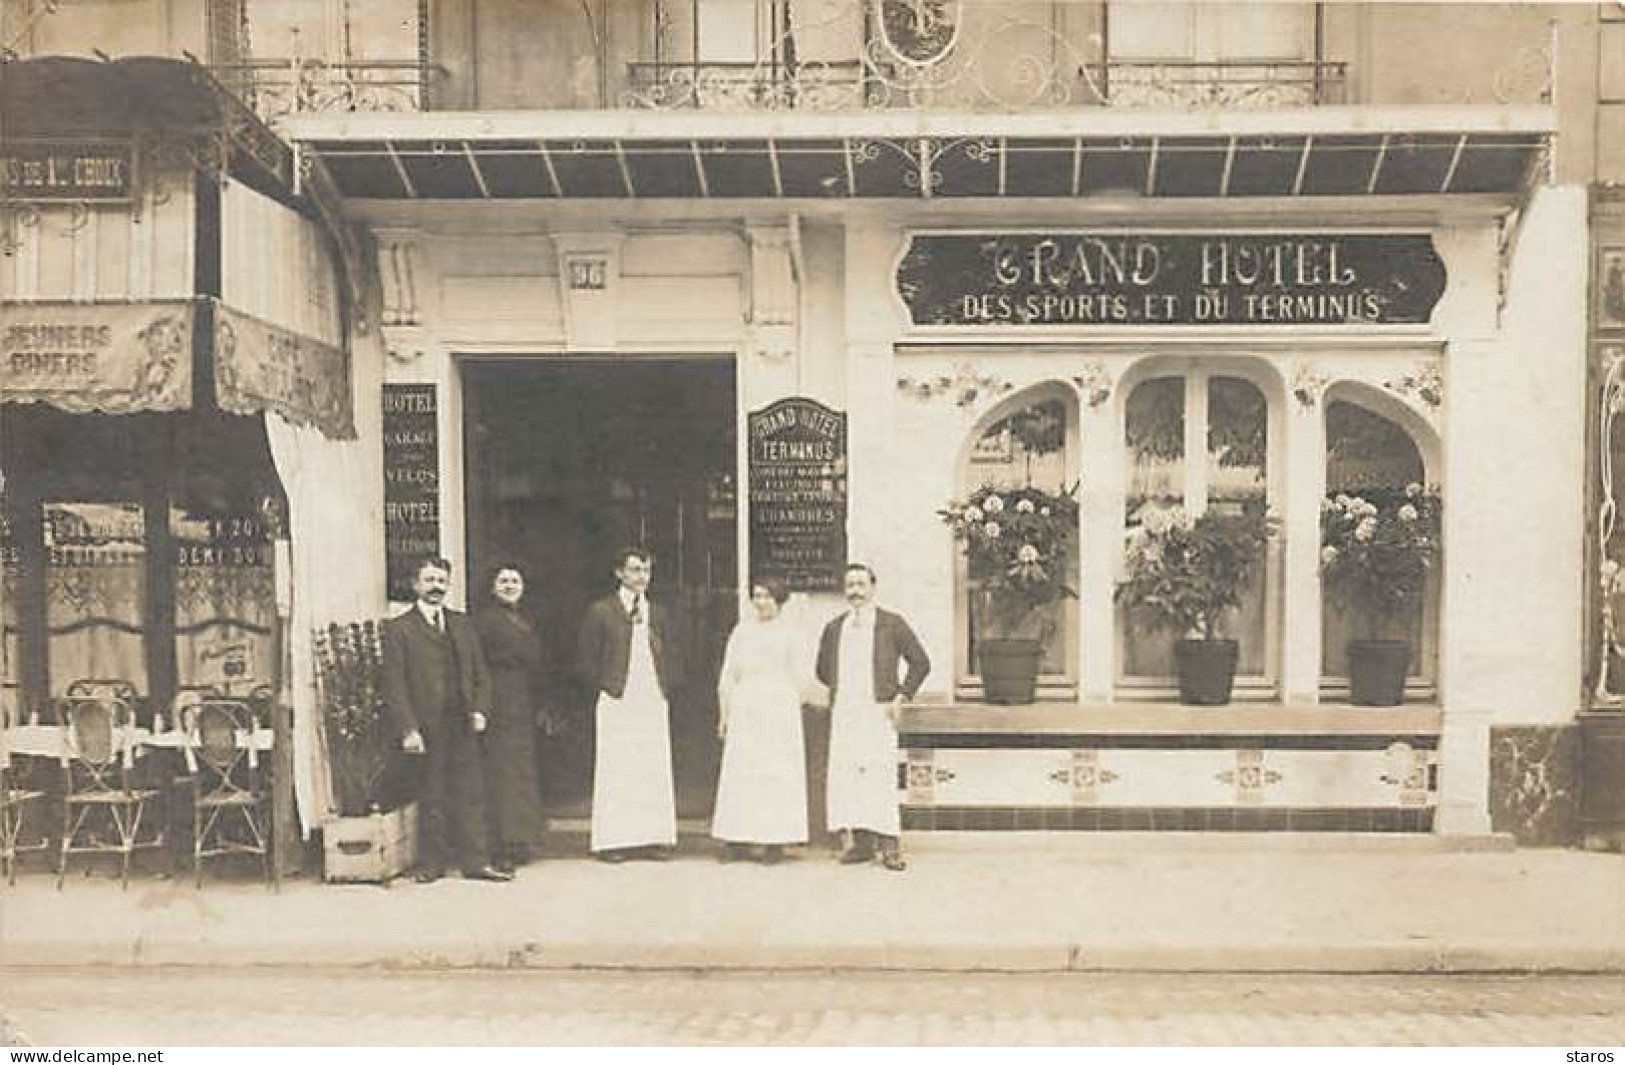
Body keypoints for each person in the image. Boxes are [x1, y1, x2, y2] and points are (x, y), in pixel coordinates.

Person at [381, 556, 512, 883]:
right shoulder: (400, 629)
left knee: (471, 792)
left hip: (462, 721)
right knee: (432, 793)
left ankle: (476, 862)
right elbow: (394, 684)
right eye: (429, 580)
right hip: (427, 726)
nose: (436, 587)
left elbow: (481, 673)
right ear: (415, 585)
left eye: (441, 580)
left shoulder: (462, 624)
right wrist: (408, 729)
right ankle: (432, 864)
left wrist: (481, 710)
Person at [815, 562, 930, 872]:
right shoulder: (834, 628)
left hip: (878, 712)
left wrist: (901, 696)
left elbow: (920, 663)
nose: (855, 591)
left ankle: (890, 845)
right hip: (845, 712)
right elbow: (823, 669)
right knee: (849, 775)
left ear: (873, 588)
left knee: (878, 775)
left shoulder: (891, 624)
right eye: (850, 585)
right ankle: (862, 844)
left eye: (860, 585)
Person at [576, 547, 678, 862]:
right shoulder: (601, 611)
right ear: (619, 573)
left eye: (646, 570)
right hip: (617, 698)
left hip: (651, 696)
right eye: (634, 570)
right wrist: (607, 685)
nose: (641, 577)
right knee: (617, 767)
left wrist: (664, 686)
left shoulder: (657, 612)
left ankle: (652, 837)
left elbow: (673, 653)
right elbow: (586, 659)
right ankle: (614, 841)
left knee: (651, 766)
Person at [711, 577, 809, 863]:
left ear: (779, 600)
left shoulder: (792, 633)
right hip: (745, 709)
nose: (761, 602)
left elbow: (800, 676)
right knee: (741, 774)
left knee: (775, 776)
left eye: (767, 596)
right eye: (756, 596)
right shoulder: (742, 631)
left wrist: (786, 703)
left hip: (778, 711)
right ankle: (737, 839)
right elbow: (728, 674)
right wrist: (724, 713)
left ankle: (774, 841)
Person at [473, 564, 554, 874]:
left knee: (520, 773)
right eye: (503, 581)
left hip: (522, 699)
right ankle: (500, 845)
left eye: (515, 580)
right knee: (500, 774)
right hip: (498, 698)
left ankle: (519, 840)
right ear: (492, 588)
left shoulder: (524, 618)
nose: (509, 585)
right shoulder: (485, 621)